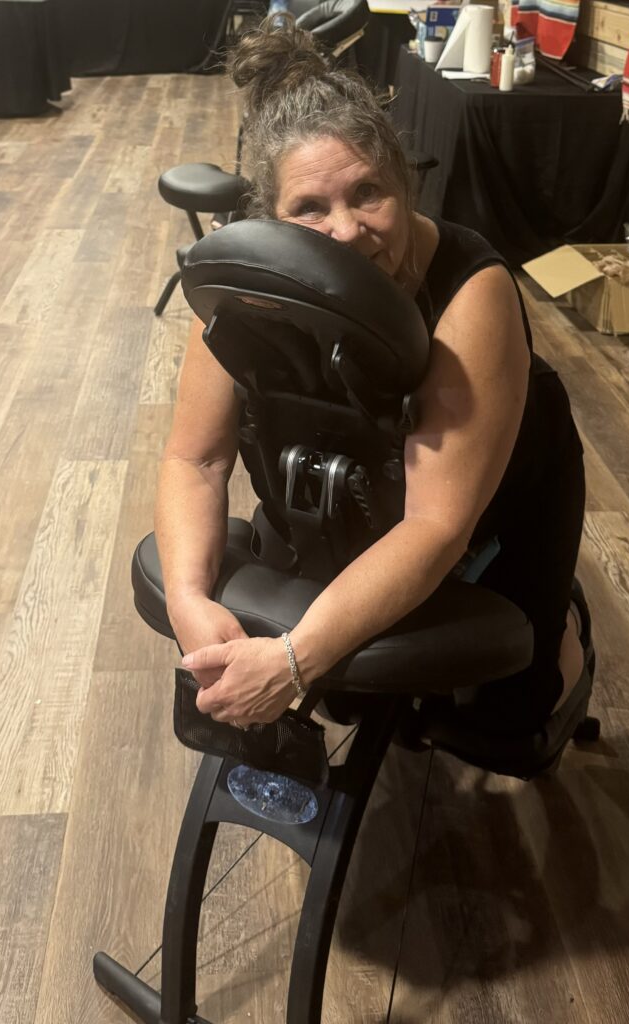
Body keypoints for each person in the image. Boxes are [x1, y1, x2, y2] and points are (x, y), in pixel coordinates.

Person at [155, 16, 588, 735]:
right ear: (272, 215)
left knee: (508, 729)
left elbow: (438, 521)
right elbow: (194, 458)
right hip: (353, 477)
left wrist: (294, 660)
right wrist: (187, 600)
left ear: (406, 185)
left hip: (497, 489)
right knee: (358, 693)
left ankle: (571, 628)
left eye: (368, 194)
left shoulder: (470, 289)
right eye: (310, 209)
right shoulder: (246, 282)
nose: (348, 231)